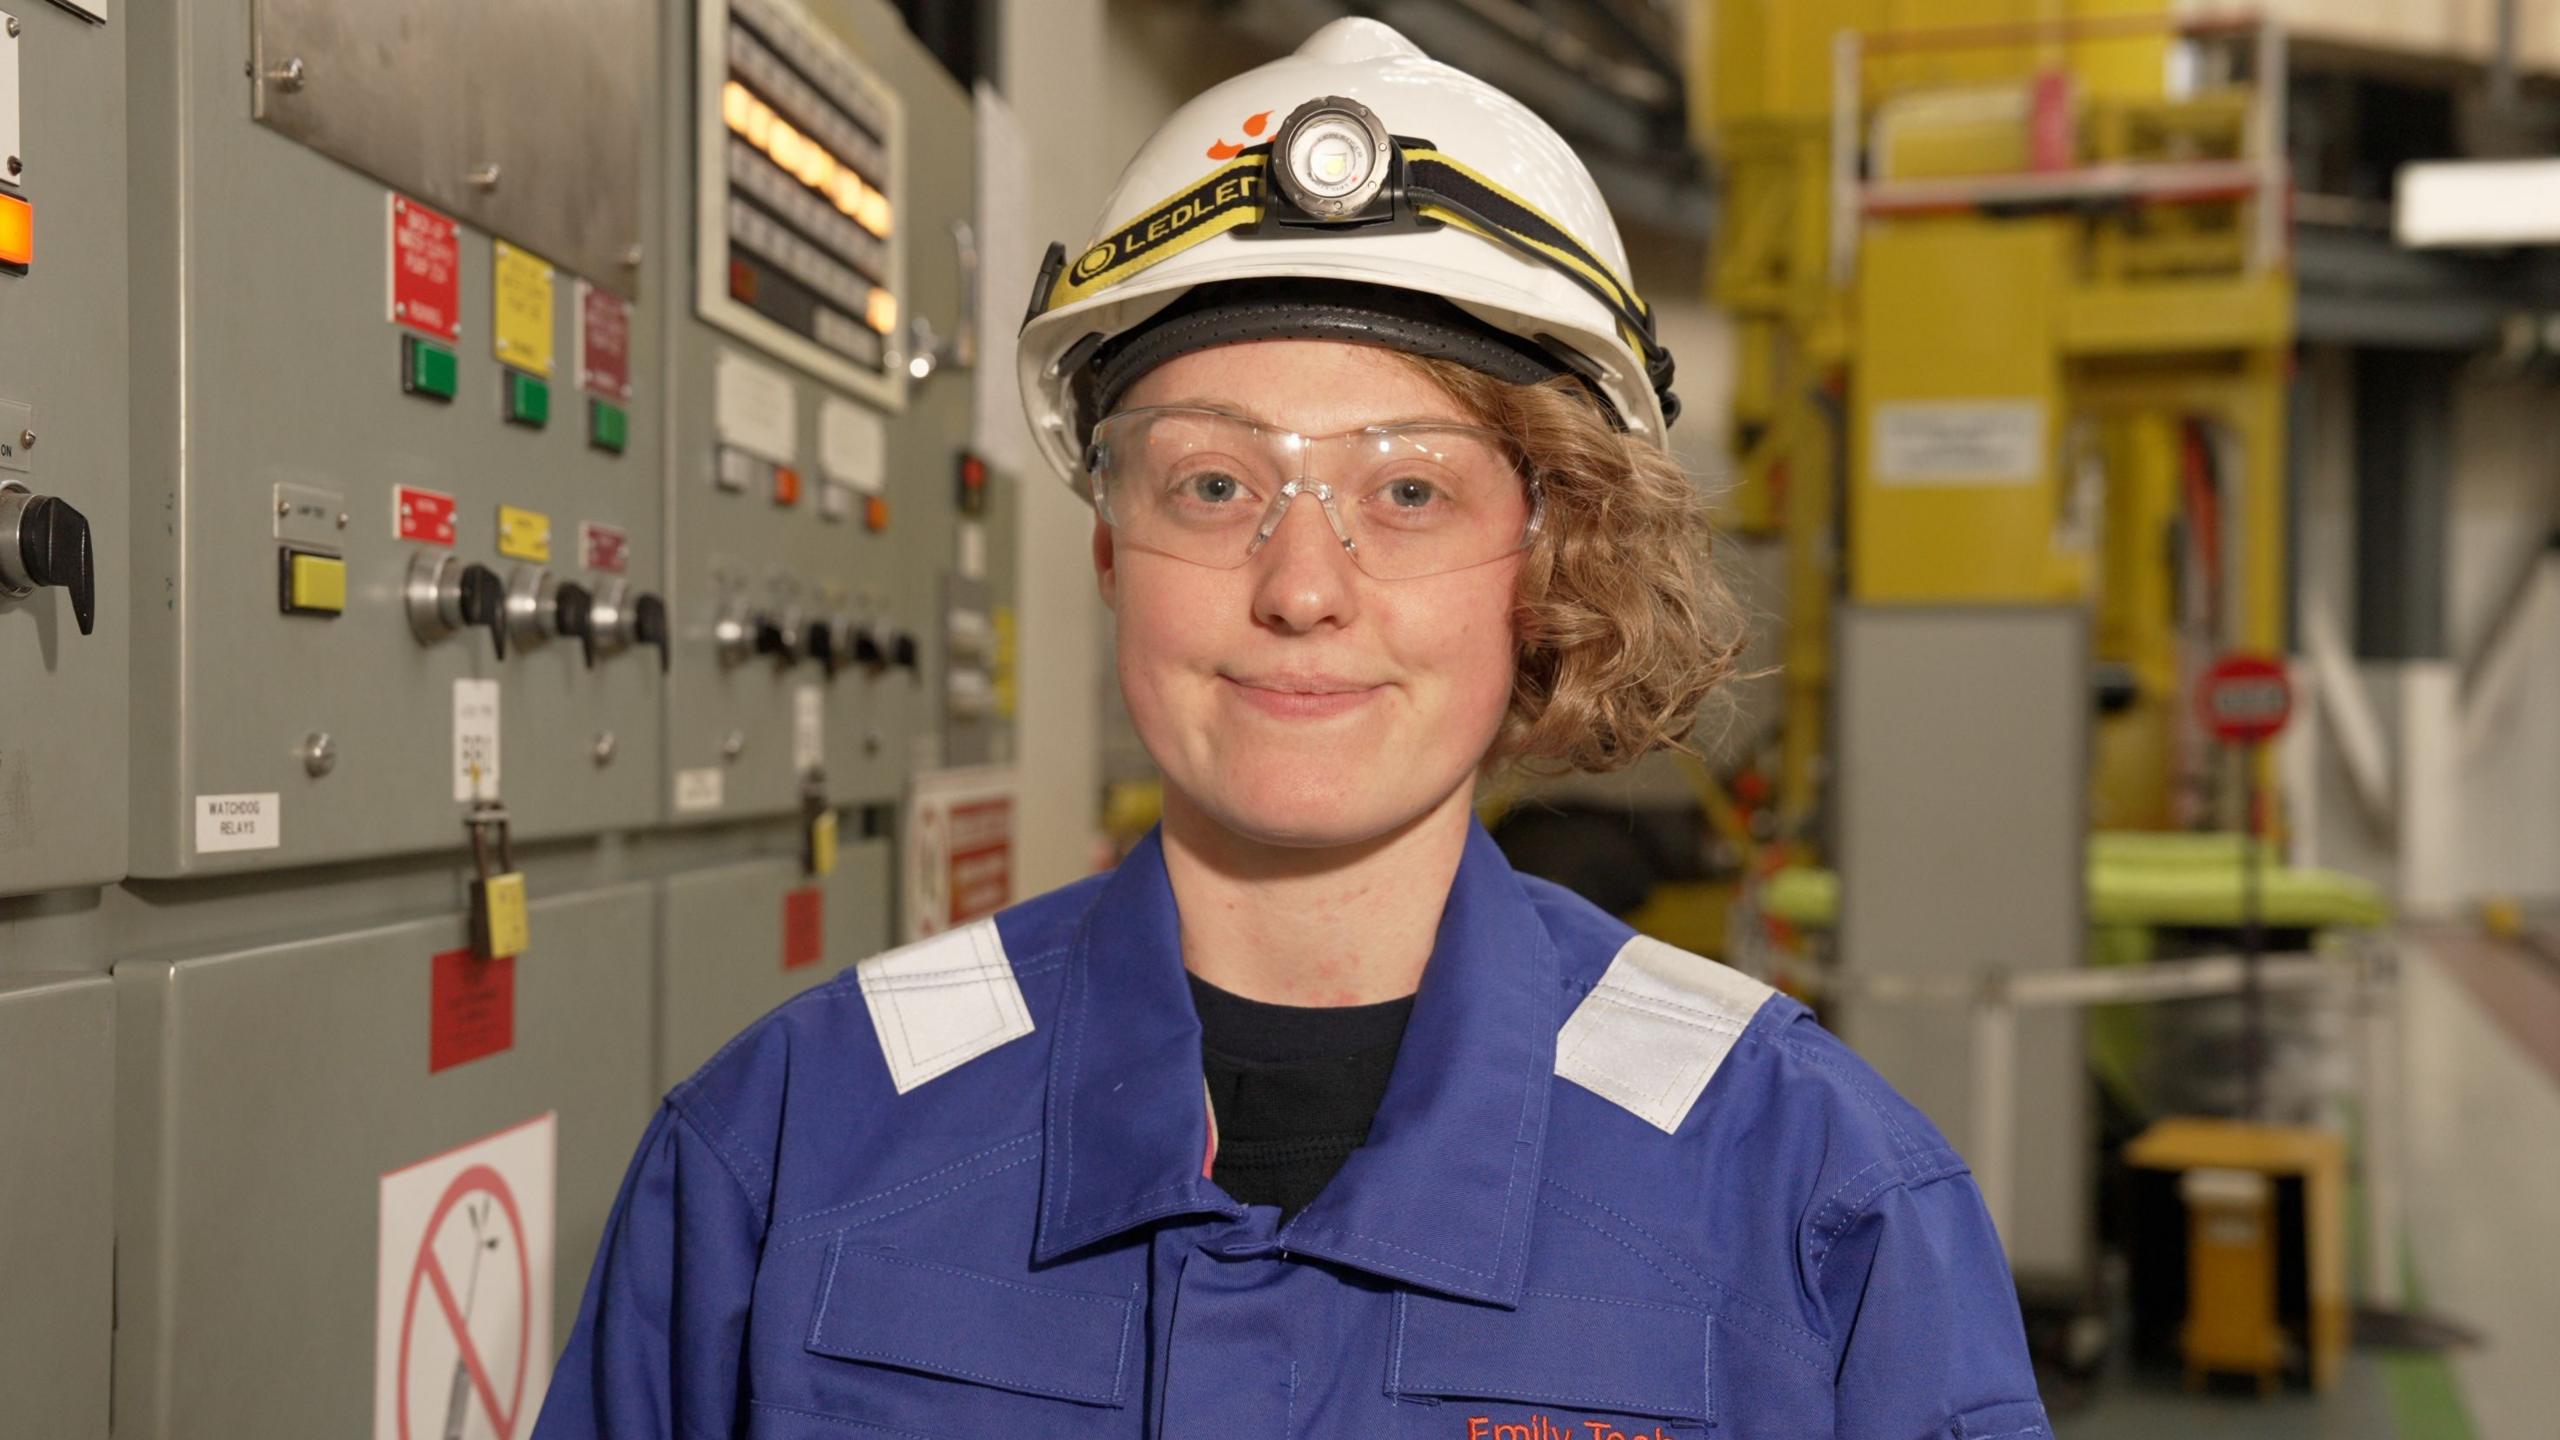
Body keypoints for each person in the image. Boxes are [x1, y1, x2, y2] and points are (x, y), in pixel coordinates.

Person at [534, 18, 2048, 1439]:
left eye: (1410, 490)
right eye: (1211, 484)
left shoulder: (1815, 1199)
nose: (1303, 587)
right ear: (1112, 554)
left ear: (1549, 560)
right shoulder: (792, 1140)